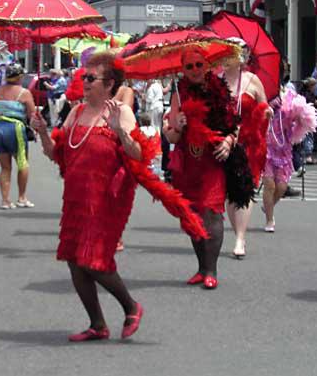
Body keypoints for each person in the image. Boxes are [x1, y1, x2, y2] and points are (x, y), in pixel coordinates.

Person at [32, 50, 206, 341]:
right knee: (74, 260)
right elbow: (56, 155)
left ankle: (131, 306)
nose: (84, 82)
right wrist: (42, 133)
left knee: (92, 260)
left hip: (106, 199)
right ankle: (97, 324)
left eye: (91, 78)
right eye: (83, 77)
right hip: (75, 197)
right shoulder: (75, 112)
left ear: (110, 83)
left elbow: (137, 156)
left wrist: (120, 133)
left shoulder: (121, 112)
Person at [164, 47, 240, 286]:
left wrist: (228, 142)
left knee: (211, 211)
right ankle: (201, 267)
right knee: (192, 215)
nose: (195, 70)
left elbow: (234, 127)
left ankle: (212, 271)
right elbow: (172, 138)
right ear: (182, 70)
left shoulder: (220, 92)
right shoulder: (178, 95)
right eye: (189, 66)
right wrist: (178, 125)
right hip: (188, 163)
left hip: (212, 161)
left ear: (207, 65)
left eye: (199, 64)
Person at [219, 47, 270, 259]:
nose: (226, 59)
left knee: (245, 189)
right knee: (230, 194)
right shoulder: (217, 82)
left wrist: (266, 112)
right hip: (224, 142)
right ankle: (238, 231)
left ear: (241, 59)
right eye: (224, 56)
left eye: (231, 55)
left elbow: (264, 104)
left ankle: (240, 237)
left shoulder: (252, 80)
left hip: (248, 143)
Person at [261, 88, 317, 231]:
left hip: (283, 151)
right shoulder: (263, 98)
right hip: (266, 148)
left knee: (281, 188)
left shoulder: (289, 102)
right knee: (269, 185)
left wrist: (298, 118)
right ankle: (269, 220)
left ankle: (268, 206)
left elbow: (302, 119)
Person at [0, 64, 36, 209]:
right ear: (20, 77)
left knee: (5, 167)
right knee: (22, 162)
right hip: (15, 128)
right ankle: (21, 197)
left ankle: (5, 200)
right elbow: (32, 114)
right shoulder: (24, 93)